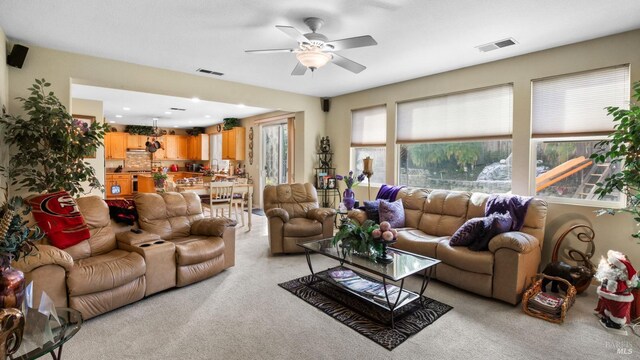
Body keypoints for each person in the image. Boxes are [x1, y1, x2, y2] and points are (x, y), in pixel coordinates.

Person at [594, 250, 639, 335]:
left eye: (613, 265)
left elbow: (620, 288)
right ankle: (608, 318)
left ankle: (615, 324)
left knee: (617, 312)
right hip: (610, 297)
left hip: (619, 300)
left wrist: (613, 286)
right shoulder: (611, 275)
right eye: (610, 264)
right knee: (609, 308)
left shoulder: (621, 279)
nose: (610, 266)